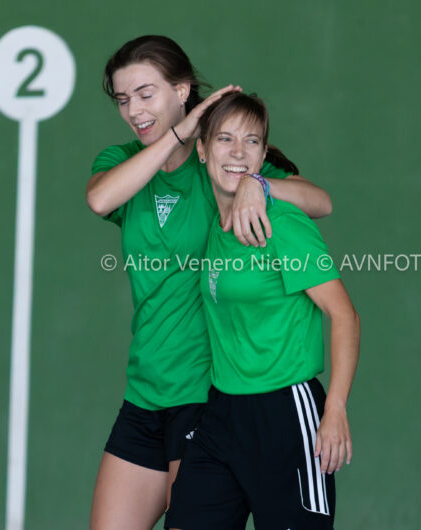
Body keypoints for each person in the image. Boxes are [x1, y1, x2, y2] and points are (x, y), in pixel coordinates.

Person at [86, 35, 333, 530]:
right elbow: (99, 199)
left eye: (146, 93)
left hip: (203, 397)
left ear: (182, 91)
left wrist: (258, 185)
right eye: (122, 99)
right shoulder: (121, 163)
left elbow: (319, 201)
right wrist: (176, 137)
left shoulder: (223, 164)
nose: (134, 109)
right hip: (145, 394)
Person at [165, 92, 360, 530]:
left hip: (287, 414)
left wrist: (336, 409)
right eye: (225, 139)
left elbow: (345, 315)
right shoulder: (218, 227)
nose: (238, 152)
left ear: (263, 153)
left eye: (251, 142)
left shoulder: (284, 224)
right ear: (201, 149)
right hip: (221, 415)